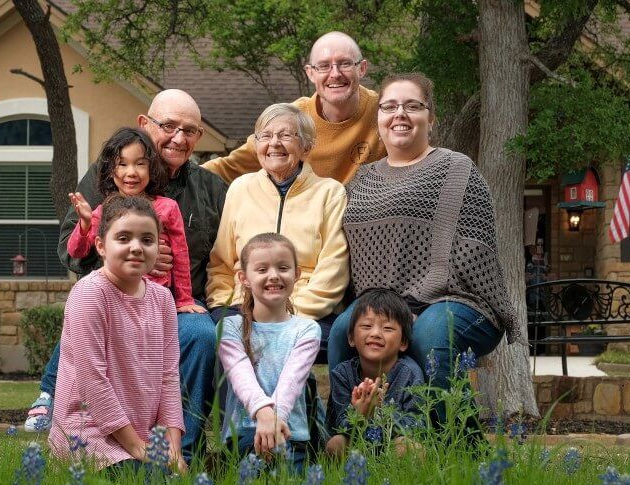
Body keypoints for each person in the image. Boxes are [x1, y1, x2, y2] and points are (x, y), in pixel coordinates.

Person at [26, 90, 227, 465]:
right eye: (168, 127)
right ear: (144, 124)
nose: (179, 138)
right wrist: (129, 267)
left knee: (201, 336)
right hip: (115, 294)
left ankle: (181, 453)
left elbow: (223, 257)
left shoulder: (212, 188)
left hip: (179, 302)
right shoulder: (108, 175)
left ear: (200, 137)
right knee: (95, 316)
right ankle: (63, 406)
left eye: (190, 130)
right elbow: (70, 250)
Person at [327, 73, 522, 423]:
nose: (400, 114)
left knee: (429, 334)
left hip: (458, 301)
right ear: (379, 120)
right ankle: (349, 436)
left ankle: (453, 448)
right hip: (383, 303)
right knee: (343, 330)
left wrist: (406, 308)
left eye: (412, 106)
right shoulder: (362, 179)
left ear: (431, 119)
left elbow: (464, 255)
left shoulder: (455, 169)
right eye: (389, 106)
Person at [49, 195, 186, 473]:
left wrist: (174, 449)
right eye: (123, 238)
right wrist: (136, 447)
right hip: (89, 433)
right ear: (101, 245)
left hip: (142, 434)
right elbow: (92, 381)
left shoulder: (162, 299)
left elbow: (169, 378)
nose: (136, 247)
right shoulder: (90, 294)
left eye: (147, 240)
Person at [206, 103, 348, 354]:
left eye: (285, 135)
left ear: (306, 148)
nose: (274, 144)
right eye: (266, 136)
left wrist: (287, 315)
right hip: (243, 305)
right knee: (219, 340)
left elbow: (333, 269)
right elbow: (222, 263)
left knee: (332, 341)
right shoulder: (240, 188)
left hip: (306, 311)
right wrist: (225, 304)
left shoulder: (330, 193)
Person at [203, 31, 385, 185]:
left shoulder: (386, 112)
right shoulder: (291, 120)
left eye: (345, 63)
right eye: (324, 66)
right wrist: (176, 171)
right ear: (310, 73)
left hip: (369, 224)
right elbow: (229, 167)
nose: (335, 74)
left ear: (361, 68)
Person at [67, 127, 205, 313]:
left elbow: (180, 256)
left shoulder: (167, 208)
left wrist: (184, 299)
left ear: (151, 168)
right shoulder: (104, 212)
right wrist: (84, 224)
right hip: (113, 300)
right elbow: (77, 251)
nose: (131, 172)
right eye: (122, 164)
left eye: (140, 164)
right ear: (110, 170)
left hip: (155, 301)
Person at [218, 233, 320, 473]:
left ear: (297, 274)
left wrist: (275, 422)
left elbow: (291, 382)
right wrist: (264, 415)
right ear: (243, 278)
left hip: (290, 433)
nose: (273, 275)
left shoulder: (307, 330)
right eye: (262, 269)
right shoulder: (229, 327)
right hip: (243, 433)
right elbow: (241, 376)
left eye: (283, 267)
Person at [325, 289, 424, 458]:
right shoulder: (342, 373)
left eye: (387, 328)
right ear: (351, 338)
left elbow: (416, 425)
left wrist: (379, 413)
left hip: (392, 446)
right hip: (357, 445)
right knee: (336, 444)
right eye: (366, 326)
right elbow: (336, 425)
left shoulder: (410, 373)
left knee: (411, 448)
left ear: (403, 342)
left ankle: (393, 479)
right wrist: (360, 414)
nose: (376, 333)